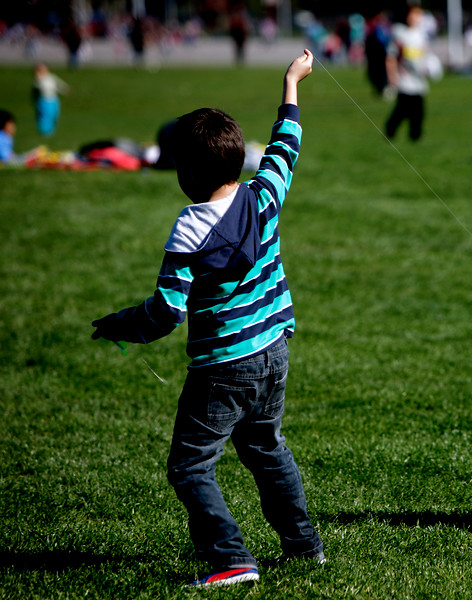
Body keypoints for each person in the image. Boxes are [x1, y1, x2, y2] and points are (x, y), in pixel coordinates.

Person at [91, 51, 324, 588]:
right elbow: (287, 144)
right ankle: (304, 546)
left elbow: (167, 311)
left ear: (190, 172)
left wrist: (125, 324)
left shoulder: (188, 229)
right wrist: (292, 82)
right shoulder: (263, 197)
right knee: (266, 449)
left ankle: (232, 558)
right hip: (273, 353)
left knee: (190, 466)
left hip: (221, 368)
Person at [385, 5, 430, 141]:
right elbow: (391, 57)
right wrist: (392, 76)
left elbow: (425, 56)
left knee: (419, 112)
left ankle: (415, 136)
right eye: (414, 14)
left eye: (419, 15)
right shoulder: (401, 35)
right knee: (402, 110)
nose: (417, 18)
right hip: (405, 80)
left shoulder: (422, 35)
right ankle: (390, 130)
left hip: (419, 81)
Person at [32, 63, 69, 137]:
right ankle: (45, 131)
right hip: (45, 100)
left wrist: (65, 89)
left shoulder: (51, 77)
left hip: (54, 99)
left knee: (54, 115)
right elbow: (38, 86)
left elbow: (58, 84)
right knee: (45, 116)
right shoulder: (39, 80)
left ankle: (52, 130)